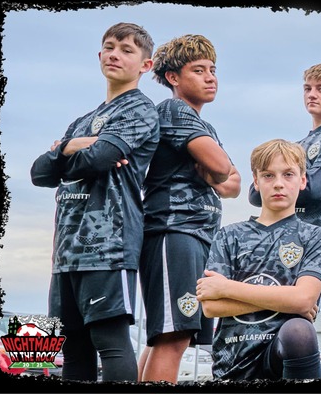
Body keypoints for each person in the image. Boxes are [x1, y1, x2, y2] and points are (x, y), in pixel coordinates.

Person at [29, 22, 159, 382]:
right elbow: (39, 173)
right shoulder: (82, 121)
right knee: (73, 347)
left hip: (107, 246)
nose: (115, 54)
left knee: (110, 342)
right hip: (65, 252)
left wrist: (64, 153)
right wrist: (73, 146)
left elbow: (101, 158)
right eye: (110, 47)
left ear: (145, 65)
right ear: (99, 54)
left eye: (127, 50)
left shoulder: (140, 109)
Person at [138, 33, 242, 382]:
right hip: (173, 231)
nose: (210, 77)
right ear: (173, 77)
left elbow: (233, 183)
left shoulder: (202, 125)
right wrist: (216, 171)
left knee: (171, 335)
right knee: (173, 335)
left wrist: (215, 172)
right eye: (199, 70)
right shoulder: (173, 110)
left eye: (213, 70)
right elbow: (222, 166)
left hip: (198, 235)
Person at [198, 139, 321, 380]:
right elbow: (211, 306)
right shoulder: (229, 235)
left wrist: (227, 288)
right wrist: (287, 300)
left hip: (279, 355)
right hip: (233, 360)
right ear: (256, 182)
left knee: (299, 330)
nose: (278, 183)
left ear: (302, 181)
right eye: (268, 175)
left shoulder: (314, 236)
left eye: (288, 174)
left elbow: (303, 299)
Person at [250, 64, 321, 264]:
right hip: (275, 236)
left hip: (312, 242)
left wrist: (273, 186)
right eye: (307, 88)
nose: (312, 94)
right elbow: (254, 195)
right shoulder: (297, 145)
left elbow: (316, 189)